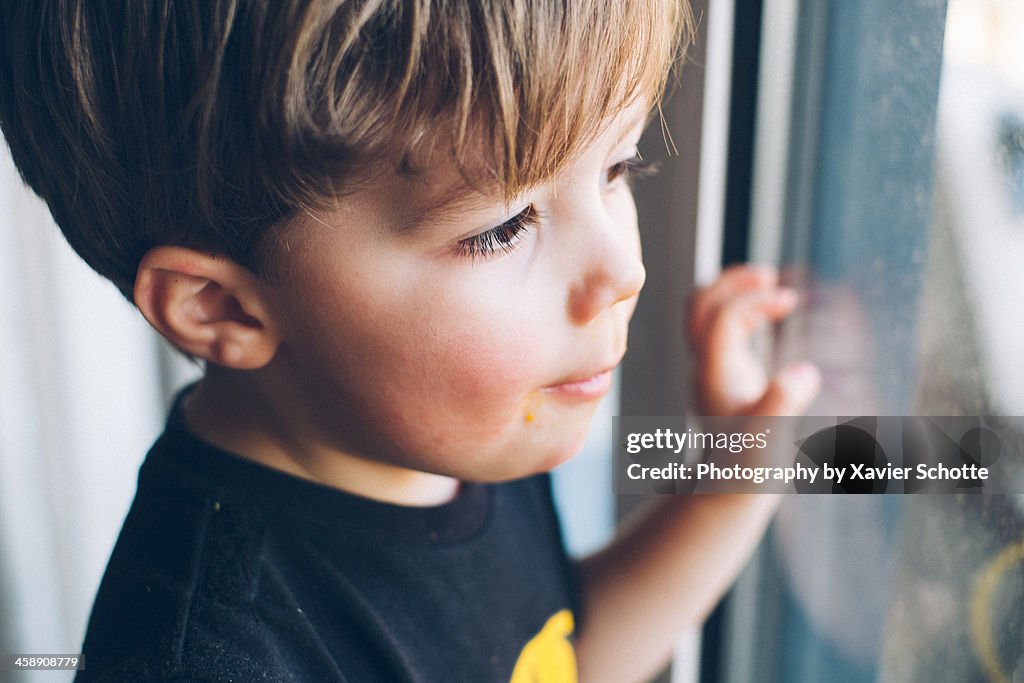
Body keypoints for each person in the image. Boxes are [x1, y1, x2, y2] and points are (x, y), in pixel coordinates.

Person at [0, 1, 819, 681]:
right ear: (224, 309)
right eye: (503, 228)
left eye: (620, 167)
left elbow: (553, 658)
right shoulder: (214, 656)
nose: (622, 270)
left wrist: (731, 481)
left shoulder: (442, 423)